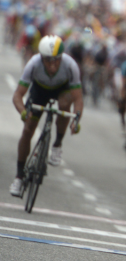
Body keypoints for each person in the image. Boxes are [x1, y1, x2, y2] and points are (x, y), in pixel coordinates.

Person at [10, 35, 83, 196]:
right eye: (48, 60)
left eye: (56, 60)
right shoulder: (33, 64)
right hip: (39, 91)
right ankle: (19, 176)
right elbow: (17, 96)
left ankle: (57, 144)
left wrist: (76, 120)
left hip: (61, 90)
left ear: (61, 57)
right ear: (41, 57)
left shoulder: (70, 65)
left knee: (65, 105)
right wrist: (23, 112)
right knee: (28, 129)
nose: (52, 64)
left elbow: (78, 98)